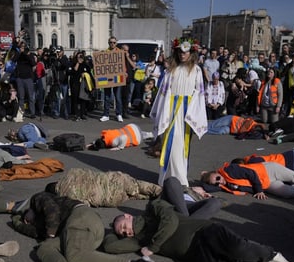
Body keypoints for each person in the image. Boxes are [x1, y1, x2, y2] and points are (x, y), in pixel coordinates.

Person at [104, 197, 294, 262]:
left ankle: (272, 254)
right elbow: (110, 246)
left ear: (129, 216)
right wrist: (110, 232)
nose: (125, 231)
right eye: (122, 233)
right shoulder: (138, 240)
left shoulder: (153, 208)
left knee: (236, 249)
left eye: (123, 226)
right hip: (194, 255)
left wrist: (153, 247)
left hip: (204, 232)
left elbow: (170, 222)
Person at [10, 192, 157, 262]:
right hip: (75, 233)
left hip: (81, 217)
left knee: (74, 255)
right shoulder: (40, 224)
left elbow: (52, 211)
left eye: (26, 217)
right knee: (44, 248)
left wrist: (48, 233)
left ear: (28, 208)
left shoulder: (38, 199)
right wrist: (17, 220)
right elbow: (35, 233)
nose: (27, 220)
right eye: (25, 220)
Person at [150, 38, 208, 187]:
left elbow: (200, 93)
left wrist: (193, 112)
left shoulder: (196, 70)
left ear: (191, 53)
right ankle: (173, 178)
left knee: (183, 145)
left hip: (186, 111)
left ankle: (180, 177)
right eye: (180, 52)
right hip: (171, 110)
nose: (183, 55)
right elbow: (164, 92)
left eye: (186, 52)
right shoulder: (171, 70)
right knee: (172, 142)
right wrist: (164, 111)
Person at [41, 168, 161, 208]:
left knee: (134, 195)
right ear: (56, 181)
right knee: (137, 185)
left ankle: (155, 197)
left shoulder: (67, 197)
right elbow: (86, 171)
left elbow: (84, 204)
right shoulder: (71, 172)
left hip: (110, 198)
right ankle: (161, 192)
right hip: (111, 179)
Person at [201, 161, 294, 199]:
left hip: (268, 171)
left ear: (218, 173)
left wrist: (259, 191)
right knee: (289, 193)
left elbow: (251, 174)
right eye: (216, 183)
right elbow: (211, 187)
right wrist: (200, 187)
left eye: (218, 178)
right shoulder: (223, 184)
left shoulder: (230, 170)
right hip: (266, 183)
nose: (219, 182)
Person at [158, 176, 225, 219]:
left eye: (217, 183)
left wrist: (210, 197)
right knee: (172, 180)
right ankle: (187, 224)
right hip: (173, 199)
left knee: (216, 203)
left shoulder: (205, 196)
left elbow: (223, 202)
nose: (219, 181)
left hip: (191, 206)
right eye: (217, 178)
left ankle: (186, 224)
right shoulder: (187, 187)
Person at [100, 37, 127, 122]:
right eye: (110, 42)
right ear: (108, 43)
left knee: (118, 97)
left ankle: (119, 114)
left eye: (114, 42)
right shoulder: (105, 52)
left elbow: (123, 64)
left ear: (116, 43)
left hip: (117, 77)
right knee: (107, 97)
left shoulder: (120, 52)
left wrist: (125, 72)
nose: (112, 44)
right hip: (108, 77)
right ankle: (106, 114)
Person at [87, 123, 153, 151]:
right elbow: (99, 140)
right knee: (143, 133)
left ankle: (151, 135)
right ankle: (152, 134)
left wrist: (120, 147)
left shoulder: (113, 142)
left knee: (141, 135)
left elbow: (124, 137)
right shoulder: (106, 134)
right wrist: (93, 143)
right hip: (132, 127)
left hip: (137, 138)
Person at [70, 51, 92, 121]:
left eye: (81, 57)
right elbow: (74, 70)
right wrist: (78, 63)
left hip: (83, 84)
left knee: (83, 99)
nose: (80, 58)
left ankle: (82, 114)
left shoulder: (85, 65)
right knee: (76, 99)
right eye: (79, 57)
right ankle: (77, 114)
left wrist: (85, 74)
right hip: (76, 83)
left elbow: (89, 73)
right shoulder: (74, 63)